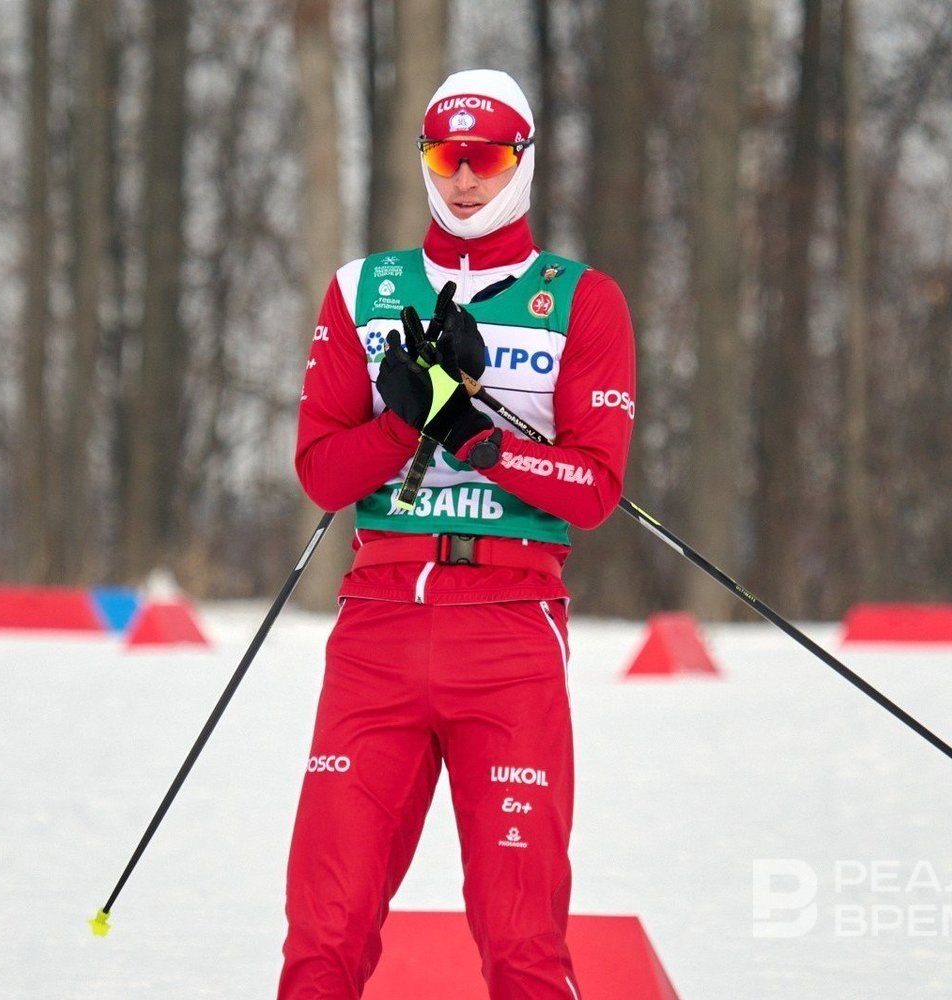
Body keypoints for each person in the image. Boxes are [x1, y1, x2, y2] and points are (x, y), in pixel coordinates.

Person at [283, 69, 636, 999]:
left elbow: (595, 488)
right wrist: (401, 425)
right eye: (447, 157)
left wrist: (480, 441)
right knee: (324, 930)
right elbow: (321, 472)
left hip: (510, 629)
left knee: (522, 942)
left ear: (523, 160)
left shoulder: (582, 299)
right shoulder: (363, 290)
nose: (467, 179)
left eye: (487, 157)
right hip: (379, 624)